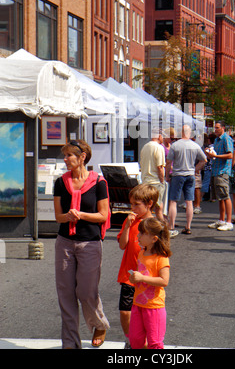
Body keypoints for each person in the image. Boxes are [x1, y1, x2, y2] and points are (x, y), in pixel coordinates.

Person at [54, 140, 110, 349]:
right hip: (65, 242)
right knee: (66, 294)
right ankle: (70, 344)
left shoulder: (99, 182)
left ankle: (99, 323)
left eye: (69, 155)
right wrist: (67, 216)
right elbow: (58, 217)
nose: (66, 159)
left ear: (82, 157)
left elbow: (103, 215)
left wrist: (81, 215)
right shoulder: (61, 182)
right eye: (65, 155)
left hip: (90, 243)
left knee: (86, 291)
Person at [117, 184, 158, 349]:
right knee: (125, 311)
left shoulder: (155, 224)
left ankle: (144, 342)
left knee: (145, 313)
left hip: (147, 277)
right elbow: (122, 245)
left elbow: (162, 252)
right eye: (131, 204)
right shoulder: (131, 221)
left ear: (149, 203)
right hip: (129, 275)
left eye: (136, 204)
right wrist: (127, 225)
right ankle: (130, 340)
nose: (132, 208)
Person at [128, 217, 172, 349]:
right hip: (138, 304)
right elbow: (141, 274)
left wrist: (141, 278)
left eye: (142, 233)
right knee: (135, 339)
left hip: (154, 307)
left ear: (154, 239)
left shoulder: (161, 257)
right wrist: (134, 279)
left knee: (155, 342)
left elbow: (164, 281)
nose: (138, 235)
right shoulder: (142, 252)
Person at [165, 125, 206, 236]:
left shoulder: (175, 145)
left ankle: (172, 226)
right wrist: (195, 169)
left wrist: (167, 175)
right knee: (189, 201)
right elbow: (204, 160)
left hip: (178, 174)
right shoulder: (195, 145)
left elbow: (168, 162)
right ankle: (188, 226)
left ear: (180, 132)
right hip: (190, 175)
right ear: (190, 133)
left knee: (173, 201)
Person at [207, 121, 234, 231]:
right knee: (220, 197)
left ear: (223, 128)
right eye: (215, 128)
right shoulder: (217, 140)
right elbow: (216, 155)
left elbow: (230, 154)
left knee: (225, 196)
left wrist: (216, 156)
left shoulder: (226, 139)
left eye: (217, 128)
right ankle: (221, 220)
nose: (215, 129)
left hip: (222, 171)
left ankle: (228, 221)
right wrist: (210, 154)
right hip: (216, 170)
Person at [140, 128, 166, 222]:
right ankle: (162, 228)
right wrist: (162, 180)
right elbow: (160, 167)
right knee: (158, 208)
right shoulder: (159, 147)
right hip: (155, 181)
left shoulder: (145, 147)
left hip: (145, 181)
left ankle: (147, 227)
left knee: (148, 207)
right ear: (159, 136)